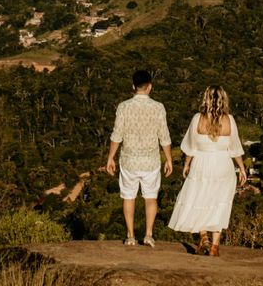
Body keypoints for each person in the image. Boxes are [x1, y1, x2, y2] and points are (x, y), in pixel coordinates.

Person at [167, 85, 248, 256]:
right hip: (223, 166)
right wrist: (241, 169)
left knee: (199, 200)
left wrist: (187, 164)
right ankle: (215, 246)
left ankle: (203, 237)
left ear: (206, 99)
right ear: (223, 99)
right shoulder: (229, 120)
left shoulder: (198, 118)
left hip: (202, 164)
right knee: (219, 204)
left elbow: (191, 147)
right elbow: (235, 149)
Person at [102, 67, 173, 247]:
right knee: (151, 198)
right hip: (151, 161)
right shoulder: (158, 107)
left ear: (133, 86)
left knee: (128, 197)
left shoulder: (124, 106)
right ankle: (149, 235)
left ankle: (131, 235)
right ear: (150, 86)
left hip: (129, 160)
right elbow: (164, 136)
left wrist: (110, 157)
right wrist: (169, 159)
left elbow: (117, 135)